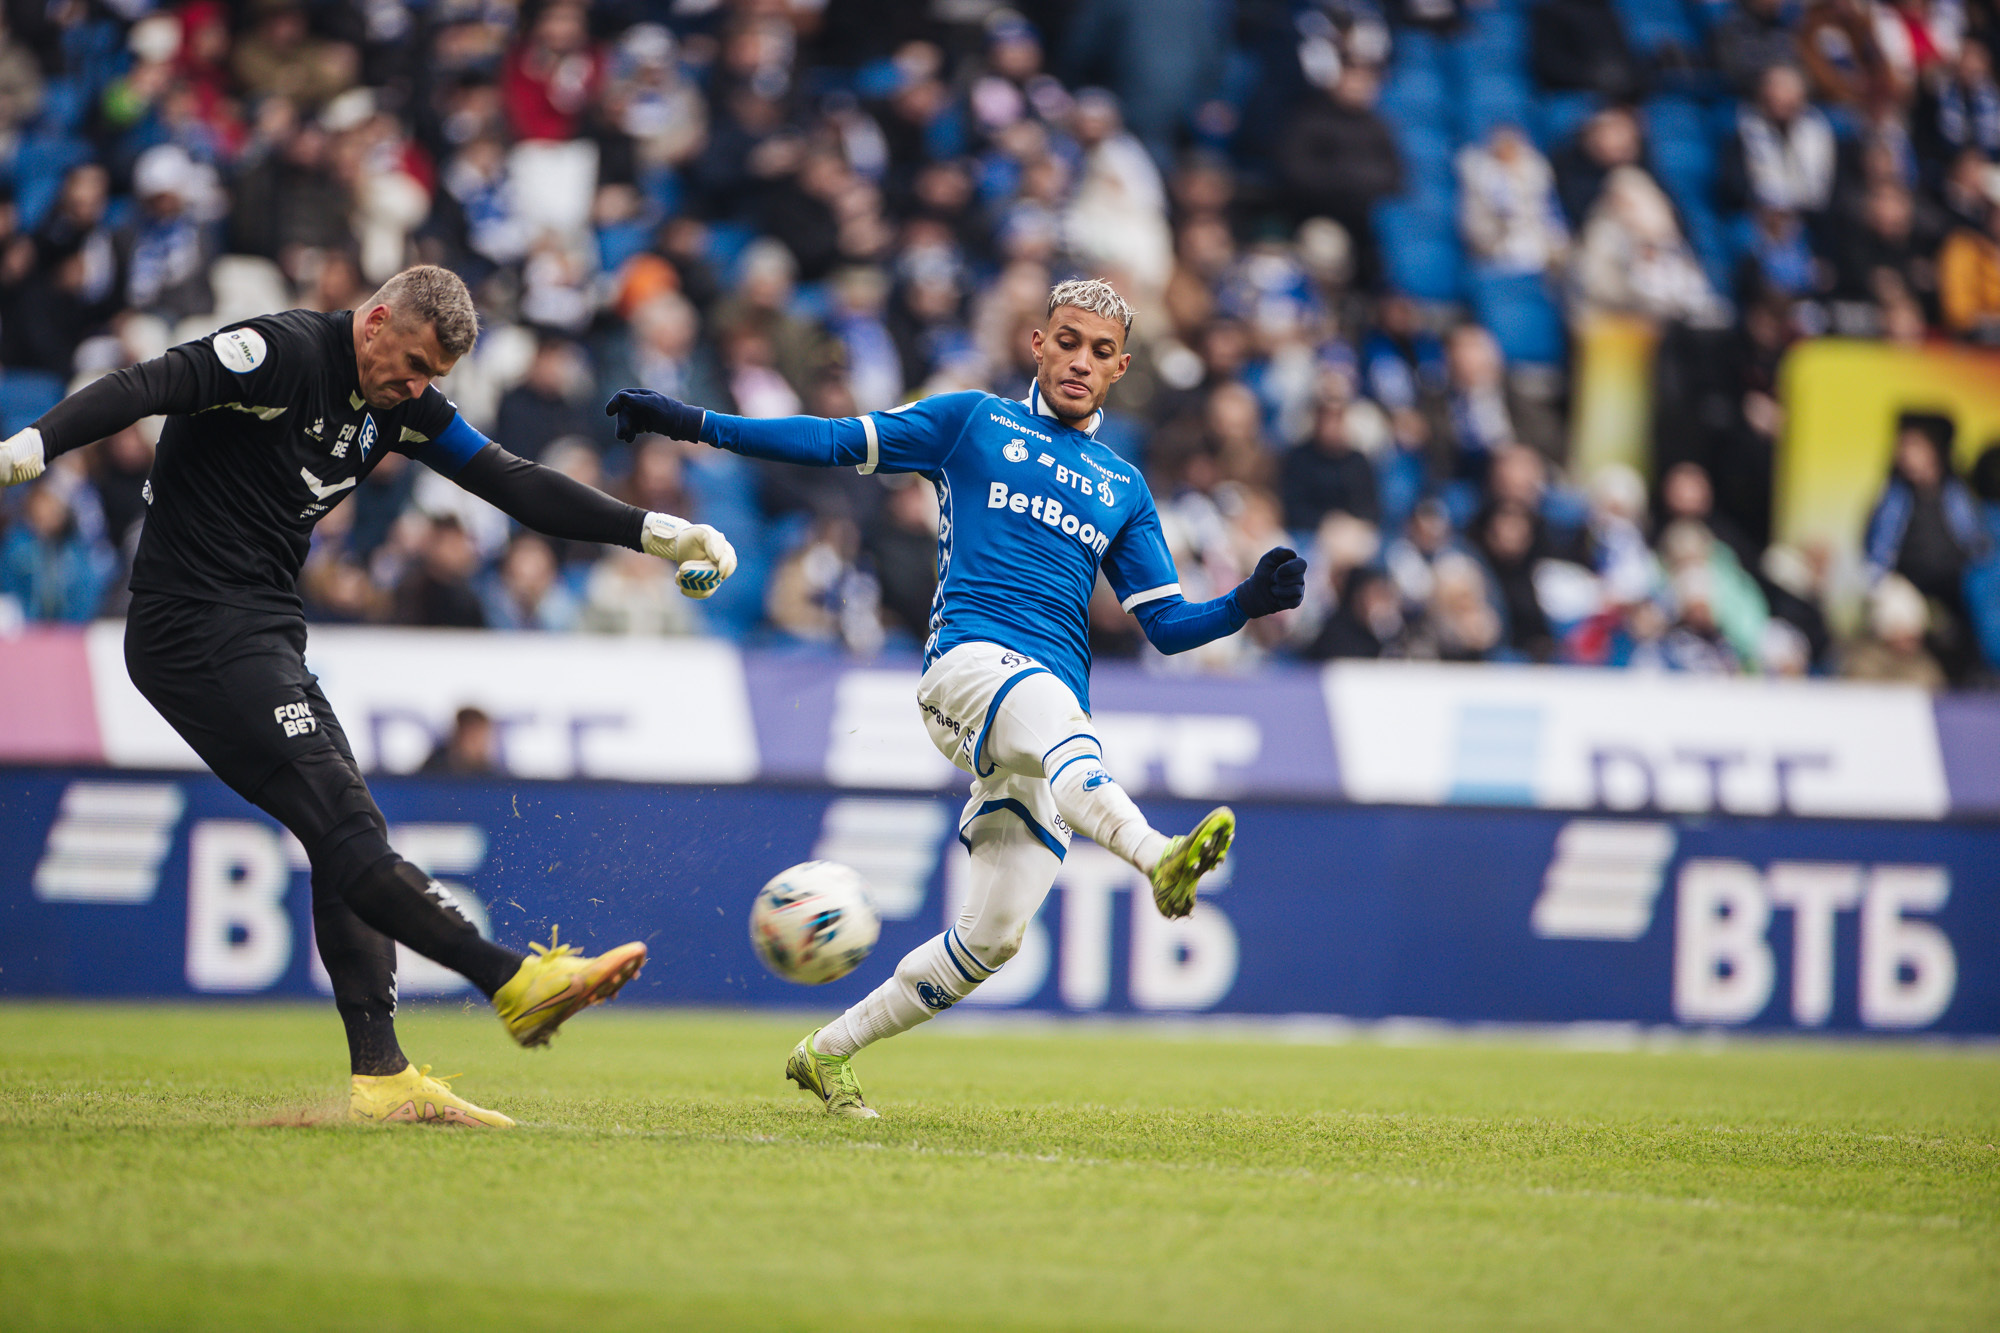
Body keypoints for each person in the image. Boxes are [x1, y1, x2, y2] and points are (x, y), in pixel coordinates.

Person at [0, 265, 738, 1128]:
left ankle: (383, 1077)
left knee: (343, 830)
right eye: (413, 363)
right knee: (347, 823)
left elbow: (512, 481)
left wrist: (653, 531)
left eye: (433, 377)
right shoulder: (281, 352)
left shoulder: (401, 404)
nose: (416, 387)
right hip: (190, 626)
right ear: (377, 319)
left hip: (263, 629)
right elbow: (147, 382)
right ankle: (515, 981)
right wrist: (35, 444)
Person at [607, 278, 1306, 1117]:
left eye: (1099, 351)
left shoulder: (1122, 485)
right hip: (968, 672)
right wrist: (692, 422)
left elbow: (1167, 625)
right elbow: (832, 440)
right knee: (1056, 715)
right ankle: (1160, 857)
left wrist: (1246, 604)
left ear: (1121, 367)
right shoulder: (974, 422)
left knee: (994, 936)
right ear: (1037, 344)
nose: (1081, 360)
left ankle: (827, 1053)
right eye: (1068, 341)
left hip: (1043, 720)